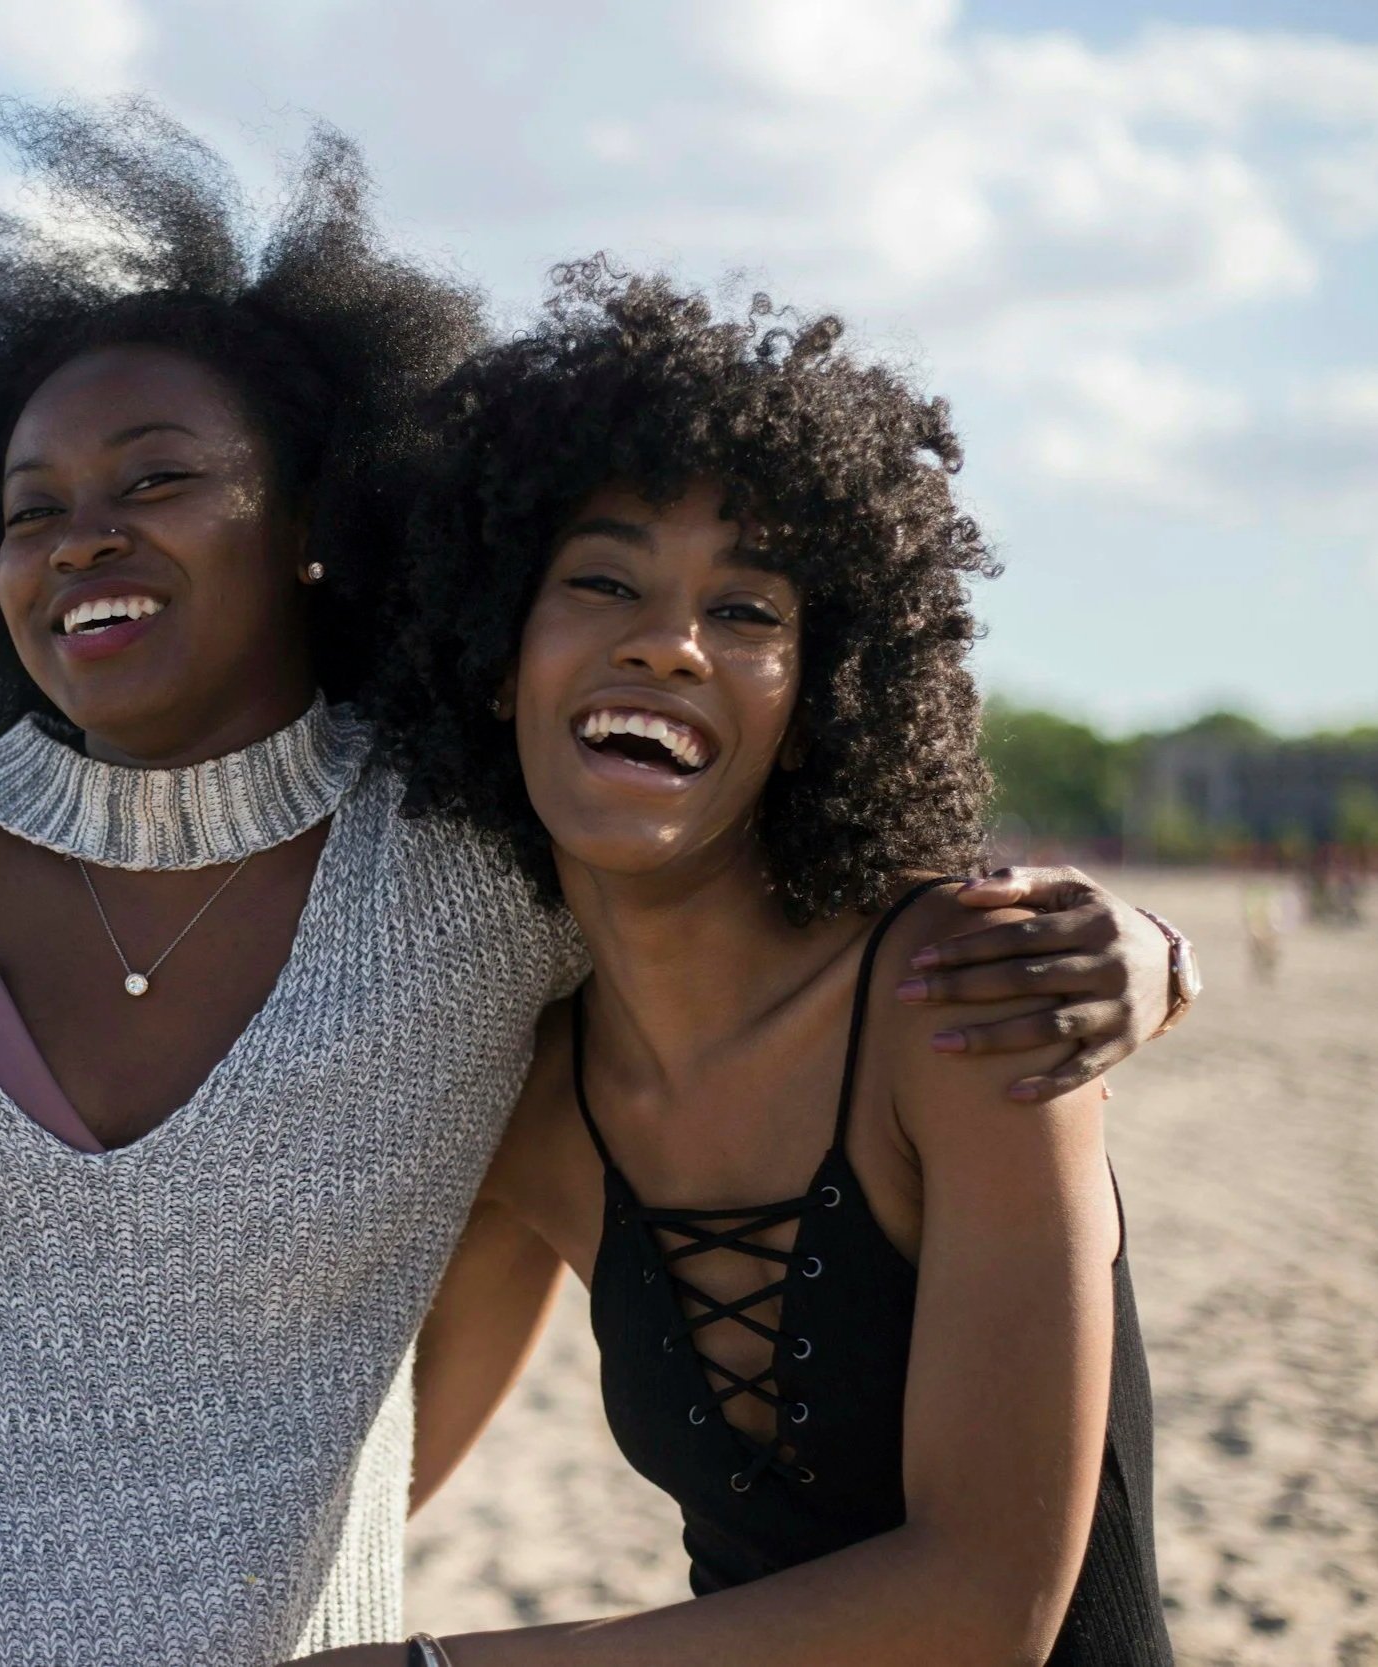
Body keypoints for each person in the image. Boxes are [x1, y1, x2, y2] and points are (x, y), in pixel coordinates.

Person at [0, 111, 1187, 1667]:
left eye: (161, 478)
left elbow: (753, 904)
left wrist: (1147, 951)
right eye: (34, 505)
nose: (86, 534)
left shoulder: (468, 869)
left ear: (314, 528)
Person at [308, 266, 1176, 1666]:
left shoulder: (962, 999)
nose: (669, 640)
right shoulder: (530, 1101)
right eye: (602, 581)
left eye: (752, 612)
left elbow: (986, 1603)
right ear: (489, 652)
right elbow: (350, 1490)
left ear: (822, 695)